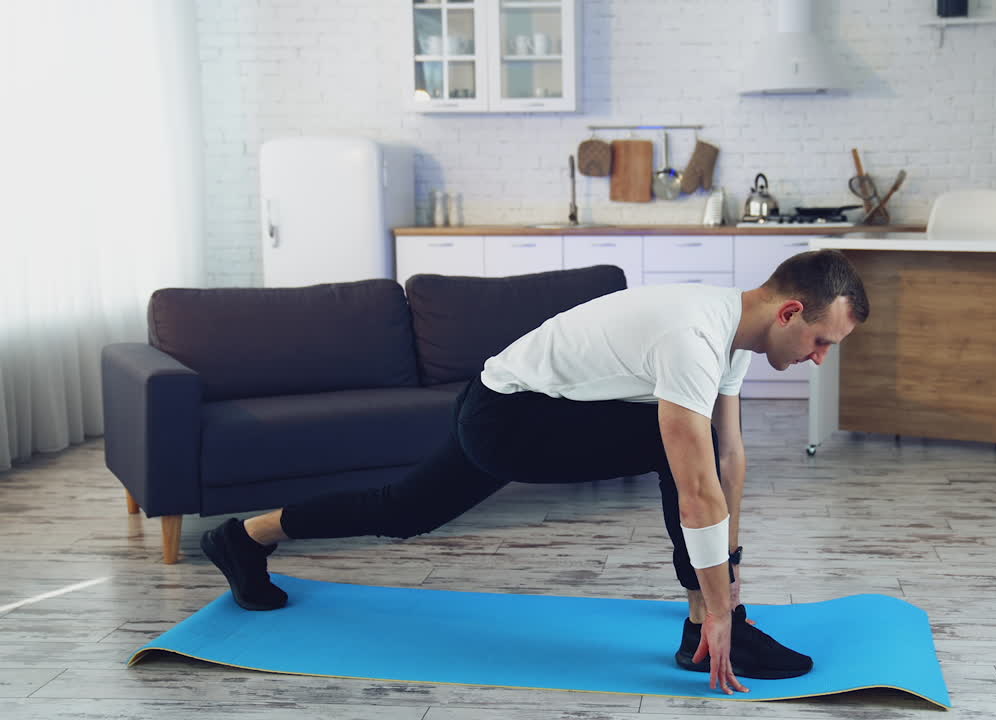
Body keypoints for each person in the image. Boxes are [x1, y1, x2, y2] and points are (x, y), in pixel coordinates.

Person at [201, 249, 870, 696]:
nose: (817, 361)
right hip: (510, 420)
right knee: (672, 443)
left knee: (404, 510)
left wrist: (732, 571)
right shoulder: (693, 336)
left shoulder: (731, 330)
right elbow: (697, 485)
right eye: (820, 343)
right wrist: (722, 607)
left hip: (503, 402)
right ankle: (701, 627)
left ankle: (246, 537)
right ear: (790, 312)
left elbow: (731, 458)